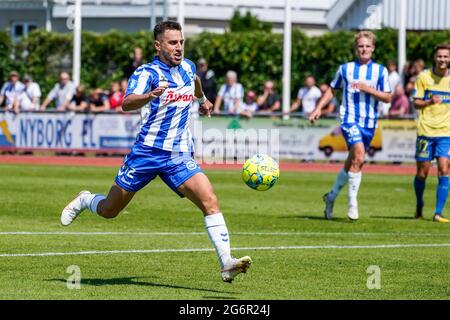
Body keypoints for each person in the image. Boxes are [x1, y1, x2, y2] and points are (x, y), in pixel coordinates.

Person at [60, 21, 251, 283]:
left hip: (178, 155)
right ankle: (85, 200)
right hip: (146, 153)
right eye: (173, 43)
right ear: (158, 45)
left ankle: (226, 262)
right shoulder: (146, 73)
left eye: (181, 42)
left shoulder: (188, 66)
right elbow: (126, 103)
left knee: (209, 200)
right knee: (109, 210)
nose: (179, 48)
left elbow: (194, 81)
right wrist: (150, 95)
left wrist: (202, 99)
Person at [309, 31, 392, 220]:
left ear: (373, 48)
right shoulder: (345, 69)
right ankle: (353, 204)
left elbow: (388, 97)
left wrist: (368, 89)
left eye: (367, 46)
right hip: (349, 119)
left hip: (369, 123)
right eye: (360, 46)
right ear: (356, 49)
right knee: (360, 156)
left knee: (353, 161)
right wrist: (318, 108)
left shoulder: (380, 71)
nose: (364, 49)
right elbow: (332, 89)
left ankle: (331, 197)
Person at [412, 44, 450, 222]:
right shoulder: (424, 77)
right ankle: (419, 203)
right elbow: (416, 102)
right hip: (426, 132)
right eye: (440, 56)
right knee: (422, 173)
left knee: (444, 169)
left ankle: (438, 212)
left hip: (446, 133)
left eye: (446, 57)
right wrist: (429, 102)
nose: (443, 60)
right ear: (435, 58)